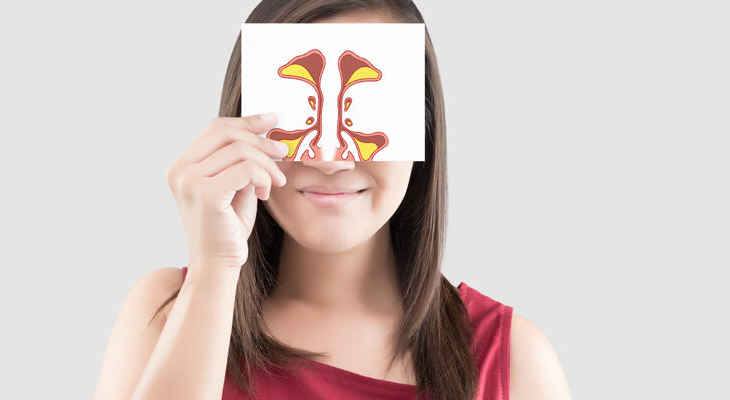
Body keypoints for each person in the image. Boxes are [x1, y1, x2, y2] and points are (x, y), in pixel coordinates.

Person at [93, 1, 572, 399]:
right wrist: (215, 267)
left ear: (420, 132)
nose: (328, 157)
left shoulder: (514, 364)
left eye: (366, 106)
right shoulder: (165, 312)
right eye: (297, 109)